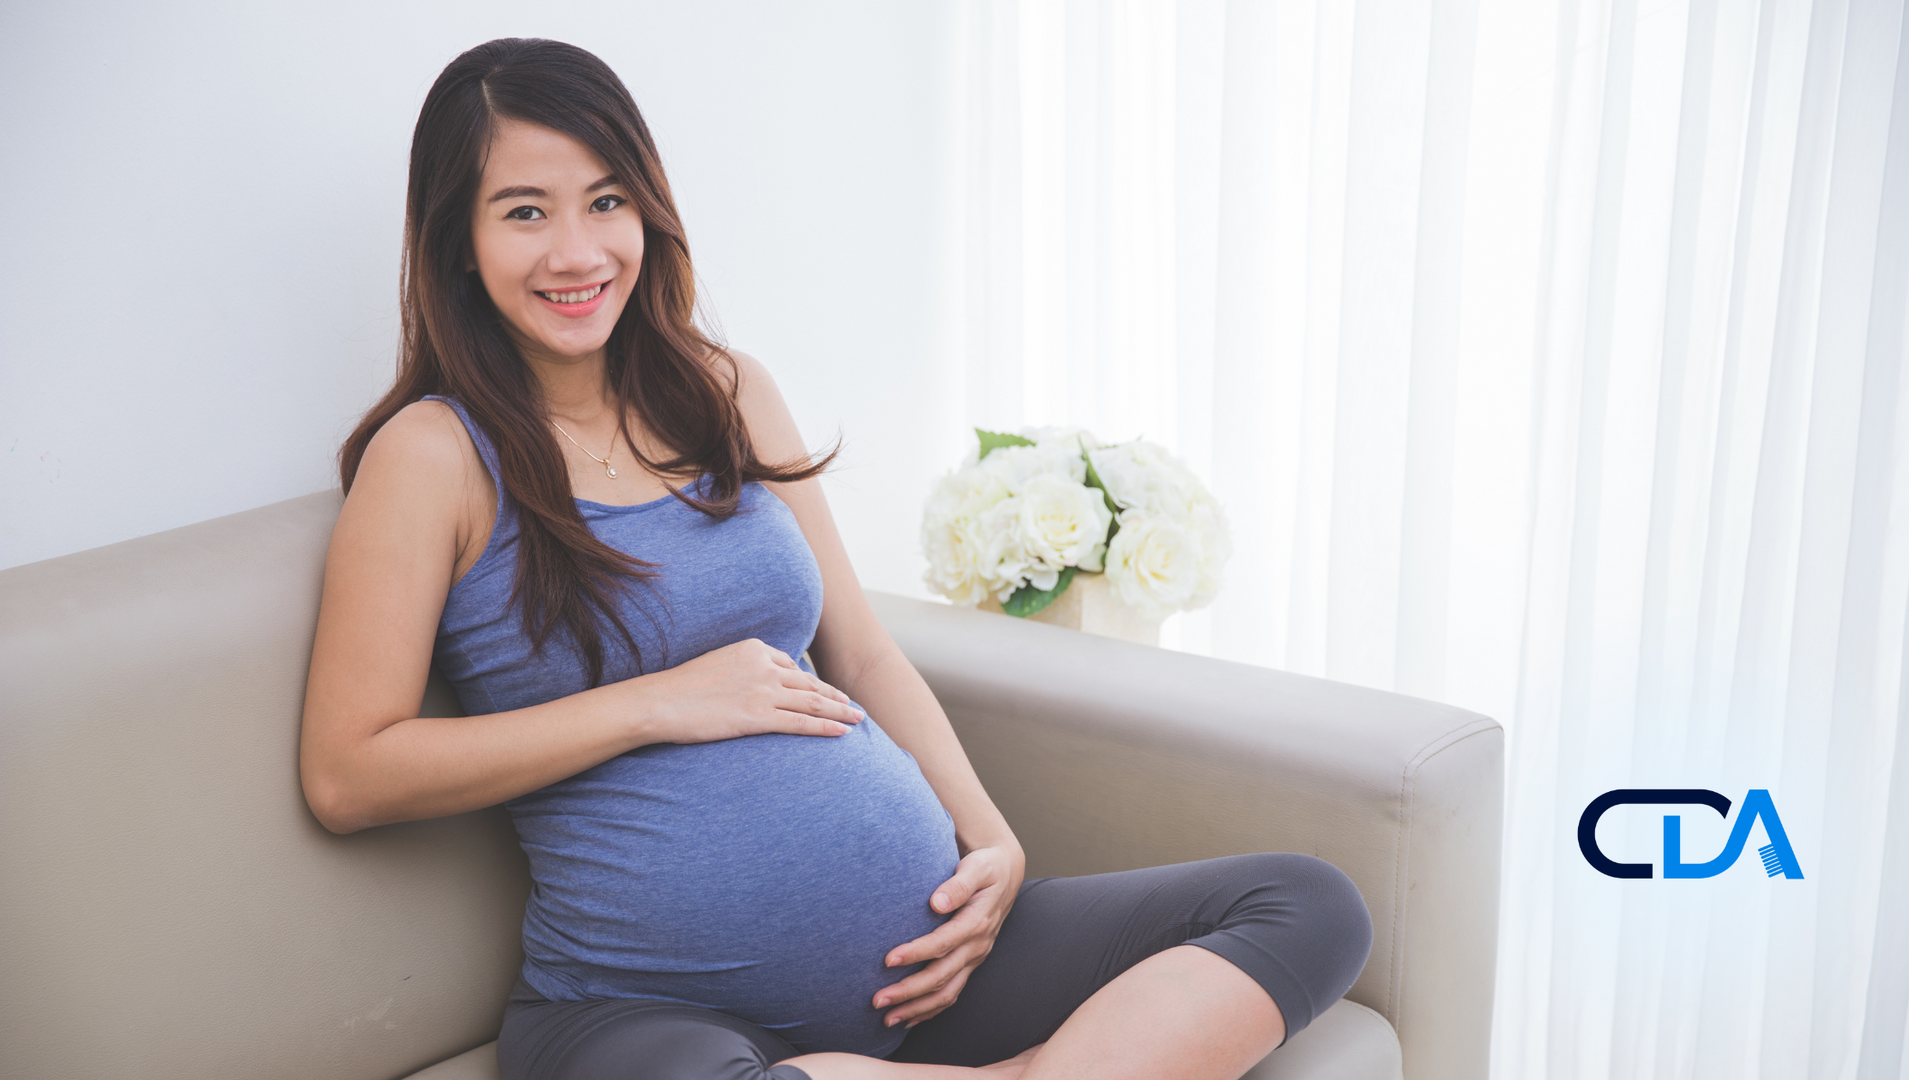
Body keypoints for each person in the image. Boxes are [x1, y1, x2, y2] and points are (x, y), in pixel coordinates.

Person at [298, 37, 1372, 1080]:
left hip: (928, 973)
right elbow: (349, 771)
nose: (578, 251)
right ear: (456, 241)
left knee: (1310, 902)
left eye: (607, 200)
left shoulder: (725, 390)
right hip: (642, 1013)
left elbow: (858, 653)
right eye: (524, 212)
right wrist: (656, 702)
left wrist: (991, 844)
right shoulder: (434, 457)